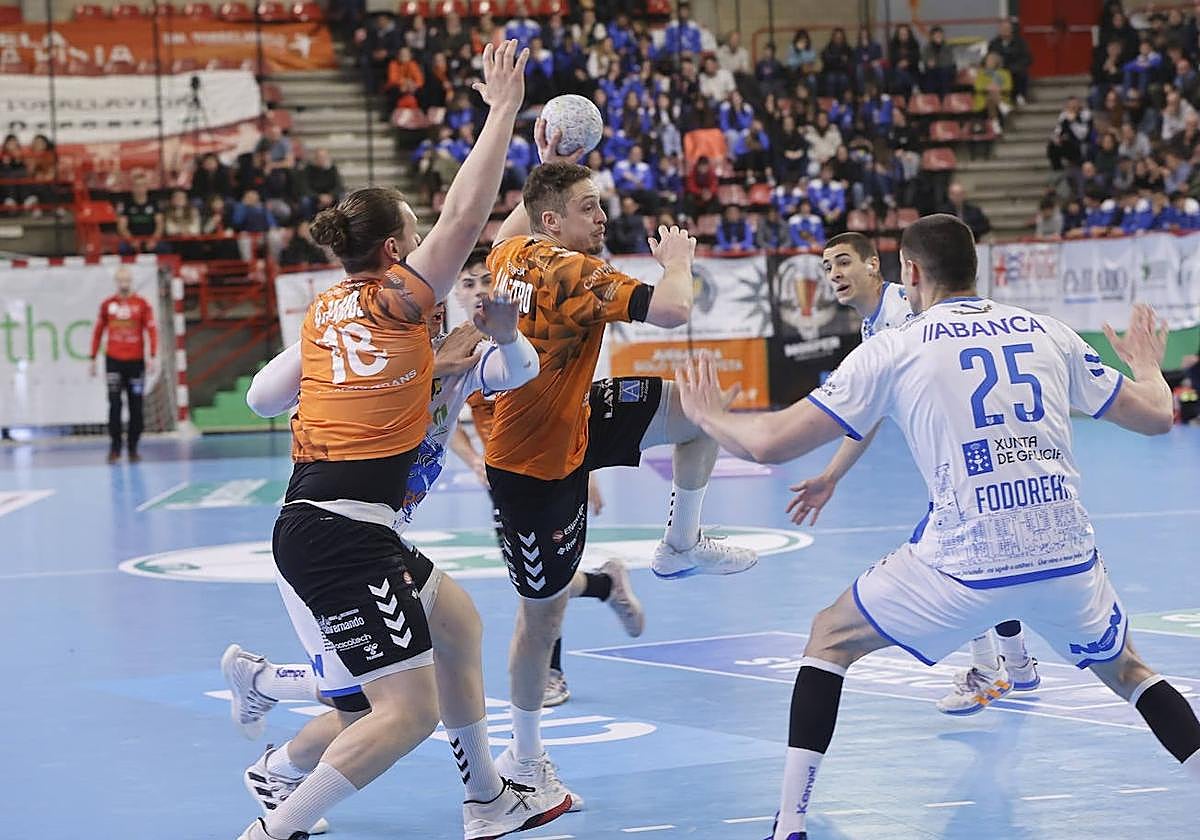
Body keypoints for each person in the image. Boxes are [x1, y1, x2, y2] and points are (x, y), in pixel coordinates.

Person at [671, 214, 1200, 840]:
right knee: (1131, 671)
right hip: (1066, 559)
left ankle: (790, 825)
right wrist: (1147, 366)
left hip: (965, 564)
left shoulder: (895, 346)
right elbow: (1157, 416)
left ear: (910, 272)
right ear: (976, 268)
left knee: (829, 637)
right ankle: (1011, 664)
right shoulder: (1048, 331)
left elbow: (769, 444)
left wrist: (708, 417)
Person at [234, 40, 571, 840]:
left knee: (458, 624)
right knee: (401, 712)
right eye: (416, 243)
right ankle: (272, 828)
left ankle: (487, 800)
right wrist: (501, 111)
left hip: (341, 525)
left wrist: (357, 376)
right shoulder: (400, 304)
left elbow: (261, 398)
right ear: (395, 254)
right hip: (341, 534)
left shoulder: (325, 312)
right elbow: (465, 218)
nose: (433, 258)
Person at [480, 126, 759, 806]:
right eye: (589, 207)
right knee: (539, 619)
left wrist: (551, 163)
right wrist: (677, 259)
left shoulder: (511, 251)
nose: (603, 217)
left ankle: (681, 542)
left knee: (701, 409)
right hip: (532, 466)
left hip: (577, 416)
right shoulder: (578, 273)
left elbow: (514, 220)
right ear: (554, 222)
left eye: (601, 205)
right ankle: (524, 758)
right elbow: (673, 308)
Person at [784, 232, 1039, 715]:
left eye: (843, 262)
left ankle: (991, 669)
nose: (834, 274)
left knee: (959, 557)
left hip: (971, 452)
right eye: (827, 266)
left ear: (874, 266)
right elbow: (870, 416)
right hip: (966, 454)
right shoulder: (875, 327)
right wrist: (832, 476)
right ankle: (1018, 662)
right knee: (988, 553)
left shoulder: (909, 313)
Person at [443, 253, 607, 710]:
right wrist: (474, 460)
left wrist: (586, 470)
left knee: (536, 580)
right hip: (504, 477)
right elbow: (444, 416)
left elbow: (571, 404)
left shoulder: (527, 336)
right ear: (456, 294)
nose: (478, 290)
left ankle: (550, 671)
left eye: (486, 280)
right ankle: (604, 585)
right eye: (468, 283)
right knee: (534, 578)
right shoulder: (454, 347)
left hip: (547, 469)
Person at [88, 266, 158, 464]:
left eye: (127, 280)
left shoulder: (141, 304)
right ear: (116, 282)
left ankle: (133, 448)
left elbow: (151, 330)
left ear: (131, 282)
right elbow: (98, 331)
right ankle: (115, 448)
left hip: (136, 363)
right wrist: (92, 358)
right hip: (114, 361)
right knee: (114, 405)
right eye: (121, 280)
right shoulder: (107, 305)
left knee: (136, 407)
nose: (124, 284)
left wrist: (152, 355)